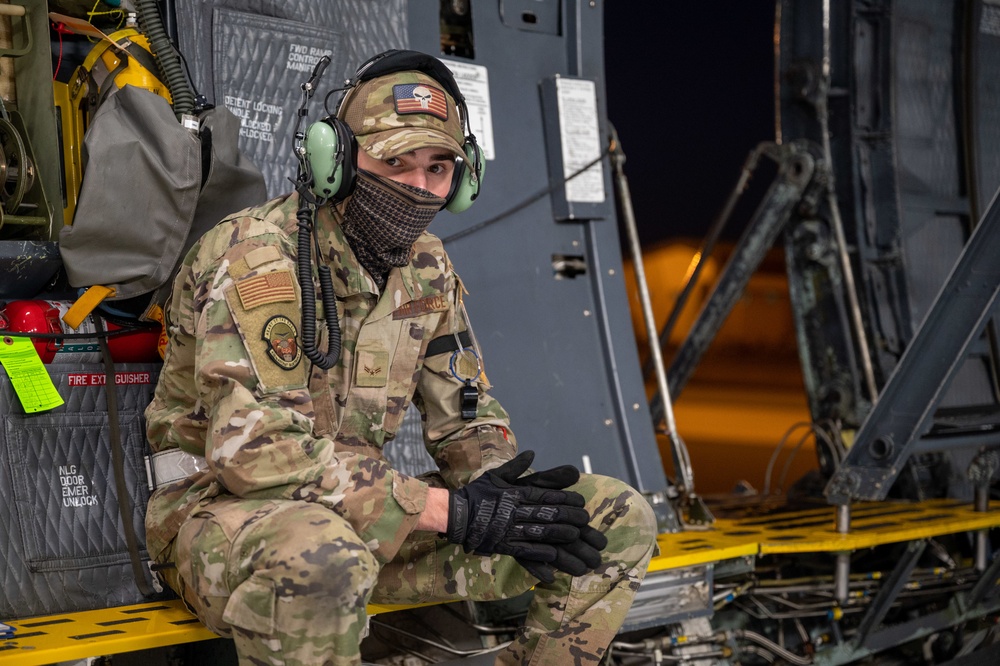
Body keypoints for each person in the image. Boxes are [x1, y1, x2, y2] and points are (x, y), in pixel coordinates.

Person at [144, 49, 657, 665]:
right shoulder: (257, 255)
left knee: (614, 517)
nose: (418, 187)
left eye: (439, 168)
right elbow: (258, 456)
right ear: (338, 162)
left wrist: (492, 486)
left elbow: (466, 415)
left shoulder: (426, 265)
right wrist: (448, 511)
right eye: (394, 162)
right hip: (224, 521)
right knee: (325, 557)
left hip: (369, 519)